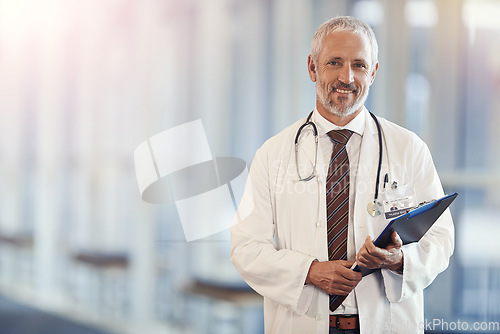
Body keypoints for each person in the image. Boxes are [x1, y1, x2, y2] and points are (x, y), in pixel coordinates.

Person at [230, 16, 454, 334]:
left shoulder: (408, 148)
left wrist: (398, 260)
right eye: (334, 62)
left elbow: (441, 239)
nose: (346, 77)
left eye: (359, 65)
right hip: (303, 322)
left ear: (373, 73)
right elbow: (246, 247)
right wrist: (310, 271)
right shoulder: (273, 154)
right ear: (312, 68)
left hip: (385, 322)